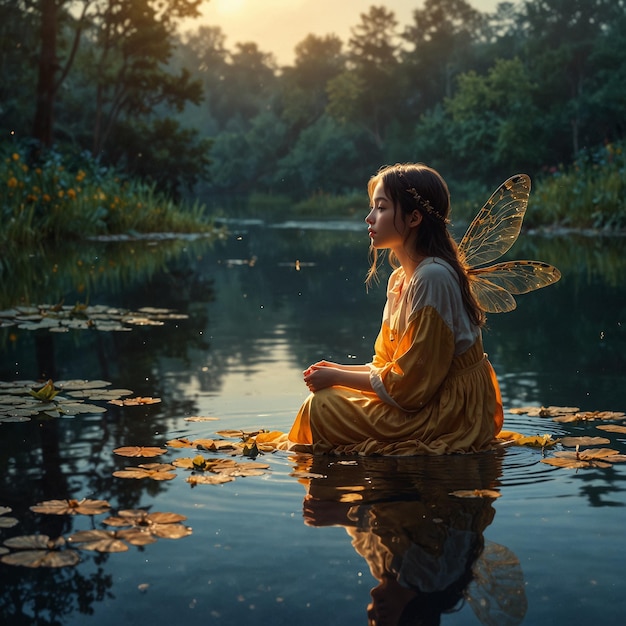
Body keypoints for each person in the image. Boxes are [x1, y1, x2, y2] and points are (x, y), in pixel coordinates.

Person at [286, 163, 503, 455]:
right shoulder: (400, 279)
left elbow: (411, 386)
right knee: (326, 399)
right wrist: (337, 370)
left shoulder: (433, 277)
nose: (369, 218)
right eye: (373, 208)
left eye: (381, 208)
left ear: (414, 218)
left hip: (449, 412)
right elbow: (390, 367)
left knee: (323, 407)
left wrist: (338, 377)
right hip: (425, 398)